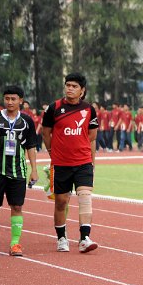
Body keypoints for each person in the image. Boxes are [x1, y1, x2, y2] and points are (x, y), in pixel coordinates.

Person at [41, 73, 100, 253]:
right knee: (61, 201)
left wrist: (92, 161)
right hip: (61, 163)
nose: (69, 89)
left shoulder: (89, 110)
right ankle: (61, 238)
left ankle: (84, 238)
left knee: (85, 198)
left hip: (83, 162)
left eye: (74, 86)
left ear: (82, 91)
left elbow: (92, 137)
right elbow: (46, 133)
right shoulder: (54, 108)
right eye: (67, 85)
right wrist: (53, 153)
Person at [0, 85, 38, 256]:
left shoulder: (27, 121)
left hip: (18, 171)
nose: (9, 102)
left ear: (21, 101)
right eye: (7, 99)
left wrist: (33, 170)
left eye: (13, 99)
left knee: (17, 206)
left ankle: (15, 243)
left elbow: (31, 146)